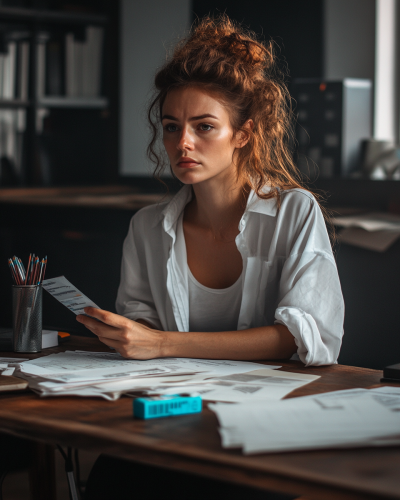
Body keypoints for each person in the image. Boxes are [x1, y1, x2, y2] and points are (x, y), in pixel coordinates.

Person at [83, 15, 344, 500]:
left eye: (204, 127)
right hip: (173, 410)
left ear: (242, 134)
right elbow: (139, 328)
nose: (182, 143)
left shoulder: (294, 211)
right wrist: (126, 335)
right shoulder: (146, 226)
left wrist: (160, 343)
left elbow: (301, 337)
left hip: (269, 417)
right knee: (114, 477)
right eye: (171, 127)